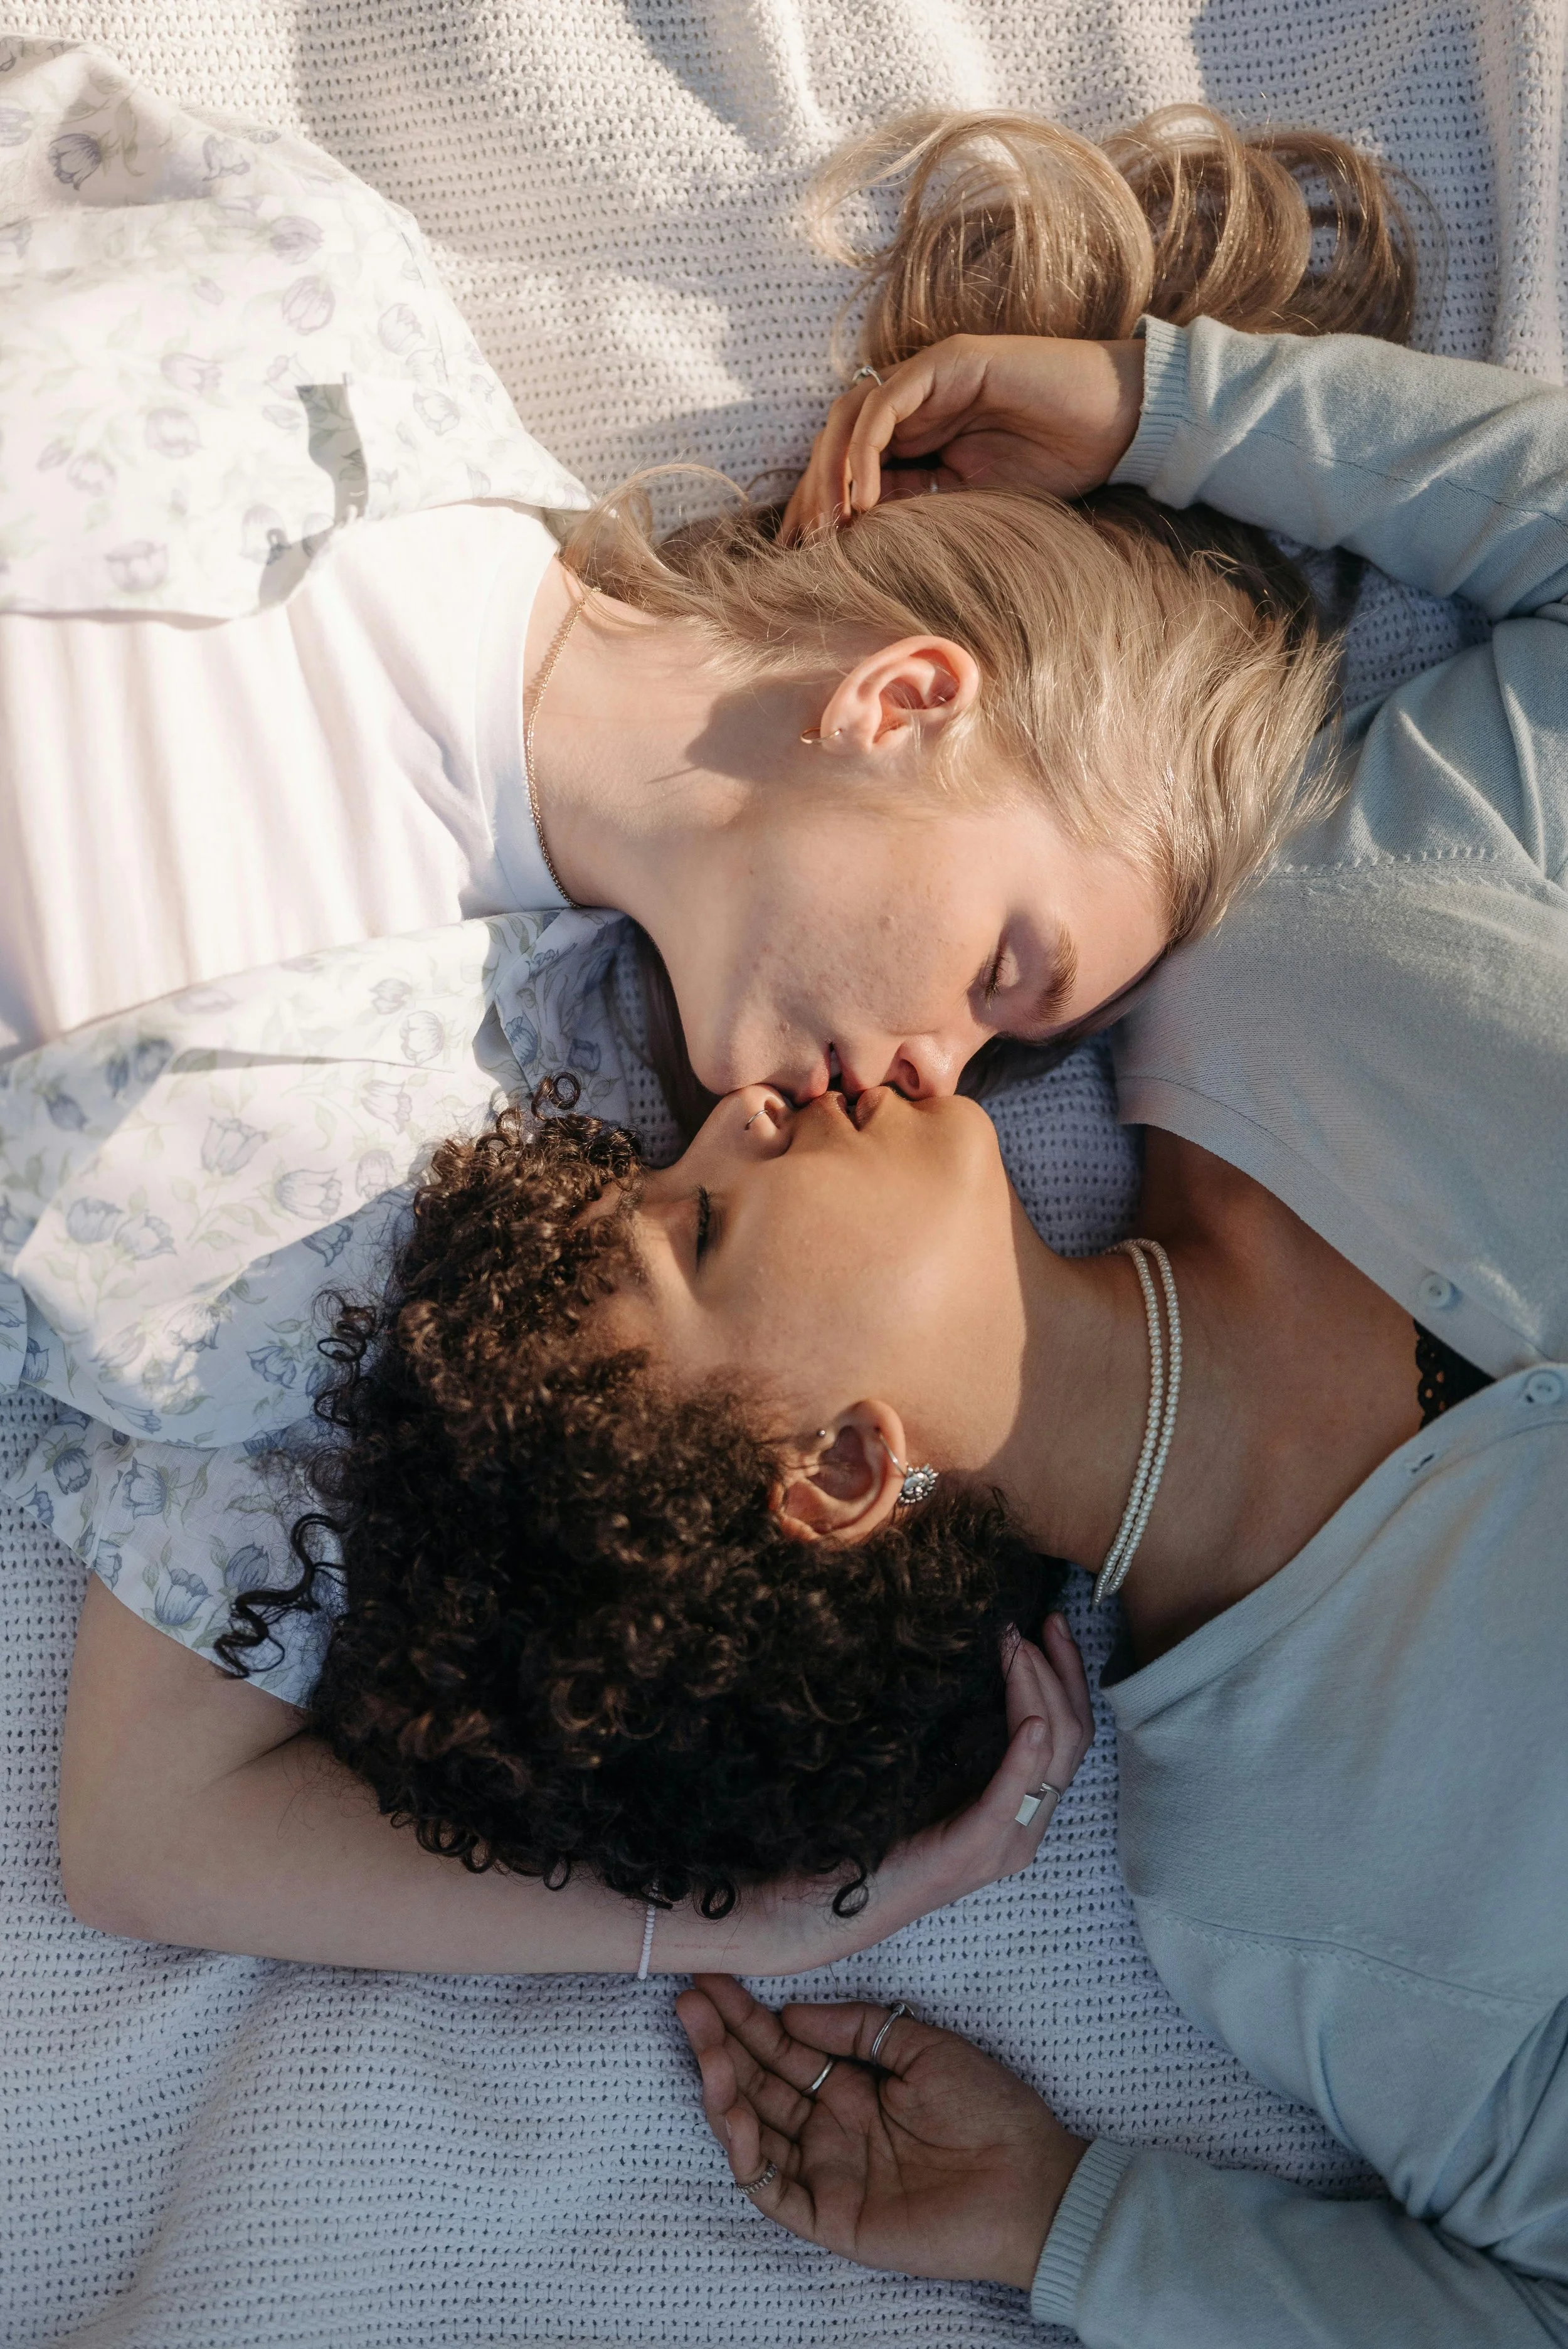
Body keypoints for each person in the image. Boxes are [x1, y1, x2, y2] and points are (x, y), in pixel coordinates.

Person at [55, 238, 1568, 2343]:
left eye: (674, 1196)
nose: (749, 1108)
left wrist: (1168, 402)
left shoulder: (1339, 938)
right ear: (851, 1466)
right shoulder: (1284, 1890)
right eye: (698, 1217)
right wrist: (1063, 2222)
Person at [0, 41, 1390, 1105]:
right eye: (997, 977)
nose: (938, 1090)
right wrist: (1175, 409)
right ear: (900, 701)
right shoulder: (315, 297)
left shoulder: (412, 1159)